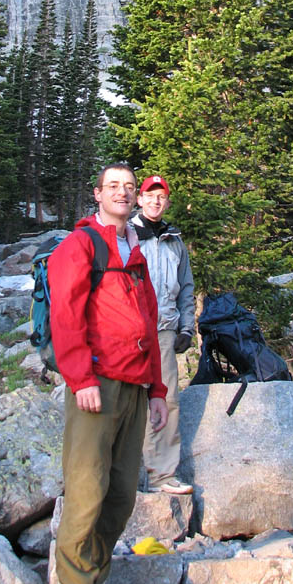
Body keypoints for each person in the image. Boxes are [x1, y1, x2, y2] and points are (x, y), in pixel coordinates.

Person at [49, 163, 168, 584]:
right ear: (97, 194)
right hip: (96, 387)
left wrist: (157, 390)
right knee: (86, 492)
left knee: (120, 496)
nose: (122, 192)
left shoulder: (134, 252)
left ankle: (91, 582)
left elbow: (150, 327)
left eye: (128, 187)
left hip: (135, 387)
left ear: (136, 198)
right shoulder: (80, 245)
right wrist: (80, 379)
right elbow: (65, 316)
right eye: (113, 186)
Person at [131, 175, 196, 495]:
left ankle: (162, 475)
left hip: (166, 331)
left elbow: (186, 287)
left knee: (167, 401)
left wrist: (187, 326)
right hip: (130, 333)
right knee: (130, 401)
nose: (156, 201)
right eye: (150, 195)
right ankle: (128, 475)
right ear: (139, 200)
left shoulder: (175, 240)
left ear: (167, 202)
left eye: (161, 196)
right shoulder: (126, 235)